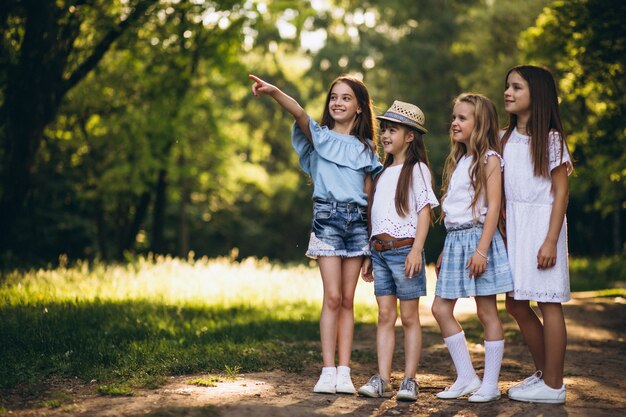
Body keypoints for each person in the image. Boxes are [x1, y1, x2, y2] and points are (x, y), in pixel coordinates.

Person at [249, 74, 383, 394]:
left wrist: (372, 246)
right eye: (334, 97)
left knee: (349, 300)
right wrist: (274, 92)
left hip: (358, 225)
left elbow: (371, 197)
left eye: (346, 98)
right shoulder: (319, 137)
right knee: (333, 297)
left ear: (360, 108)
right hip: (327, 219)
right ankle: (327, 370)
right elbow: (297, 112)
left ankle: (345, 372)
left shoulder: (367, 148)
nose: (337, 102)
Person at [431, 93, 514, 403]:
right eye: (454, 117)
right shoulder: (458, 160)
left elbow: (493, 208)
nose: (454, 122)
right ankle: (466, 376)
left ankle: (490, 384)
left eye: (462, 118)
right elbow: (455, 211)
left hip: (480, 240)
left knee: (486, 311)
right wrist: (444, 248)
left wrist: (481, 250)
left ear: (479, 124)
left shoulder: (490, 158)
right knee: (440, 308)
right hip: (455, 240)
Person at [357, 101, 439, 401]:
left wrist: (417, 250)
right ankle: (382, 378)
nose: (386, 135)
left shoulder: (416, 170)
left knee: (410, 317)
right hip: (379, 251)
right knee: (384, 316)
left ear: (410, 136)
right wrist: (369, 253)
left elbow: (424, 213)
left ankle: (409, 379)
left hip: (405, 251)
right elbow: (375, 217)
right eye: (385, 130)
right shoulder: (381, 173)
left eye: (393, 130)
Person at [501, 65, 573, 404]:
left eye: (517, 87)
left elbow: (561, 193)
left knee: (547, 300)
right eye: (508, 86)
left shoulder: (552, 139)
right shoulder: (504, 138)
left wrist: (549, 239)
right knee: (515, 302)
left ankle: (555, 385)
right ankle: (545, 374)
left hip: (543, 226)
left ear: (537, 95)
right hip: (514, 226)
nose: (508, 92)